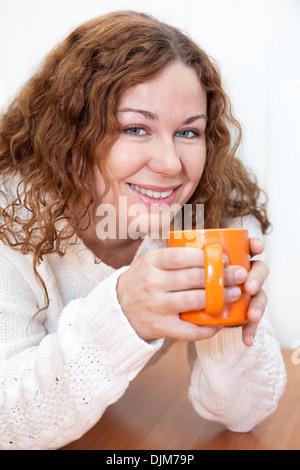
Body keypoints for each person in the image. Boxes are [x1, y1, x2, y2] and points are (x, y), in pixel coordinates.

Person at [0, 10, 286, 450]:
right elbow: (7, 423)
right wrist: (122, 314)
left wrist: (225, 313)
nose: (171, 164)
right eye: (136, 128)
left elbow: (243, 416)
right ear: (71, 133)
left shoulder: (210, 207)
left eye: (188, 133)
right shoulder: (11, 218)